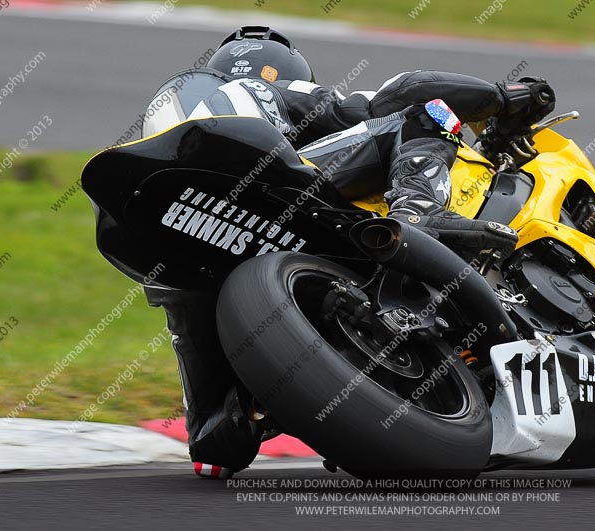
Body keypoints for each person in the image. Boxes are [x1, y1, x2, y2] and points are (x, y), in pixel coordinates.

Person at [140, 26, 556, 478]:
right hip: (263, 179)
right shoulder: (264, 89)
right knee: (427, 112)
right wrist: (501, 96)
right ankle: (417, 207)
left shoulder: (176, 106)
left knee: (213, 444)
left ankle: (243, 408)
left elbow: (217, 455)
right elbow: (400, 94)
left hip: (181, 227)